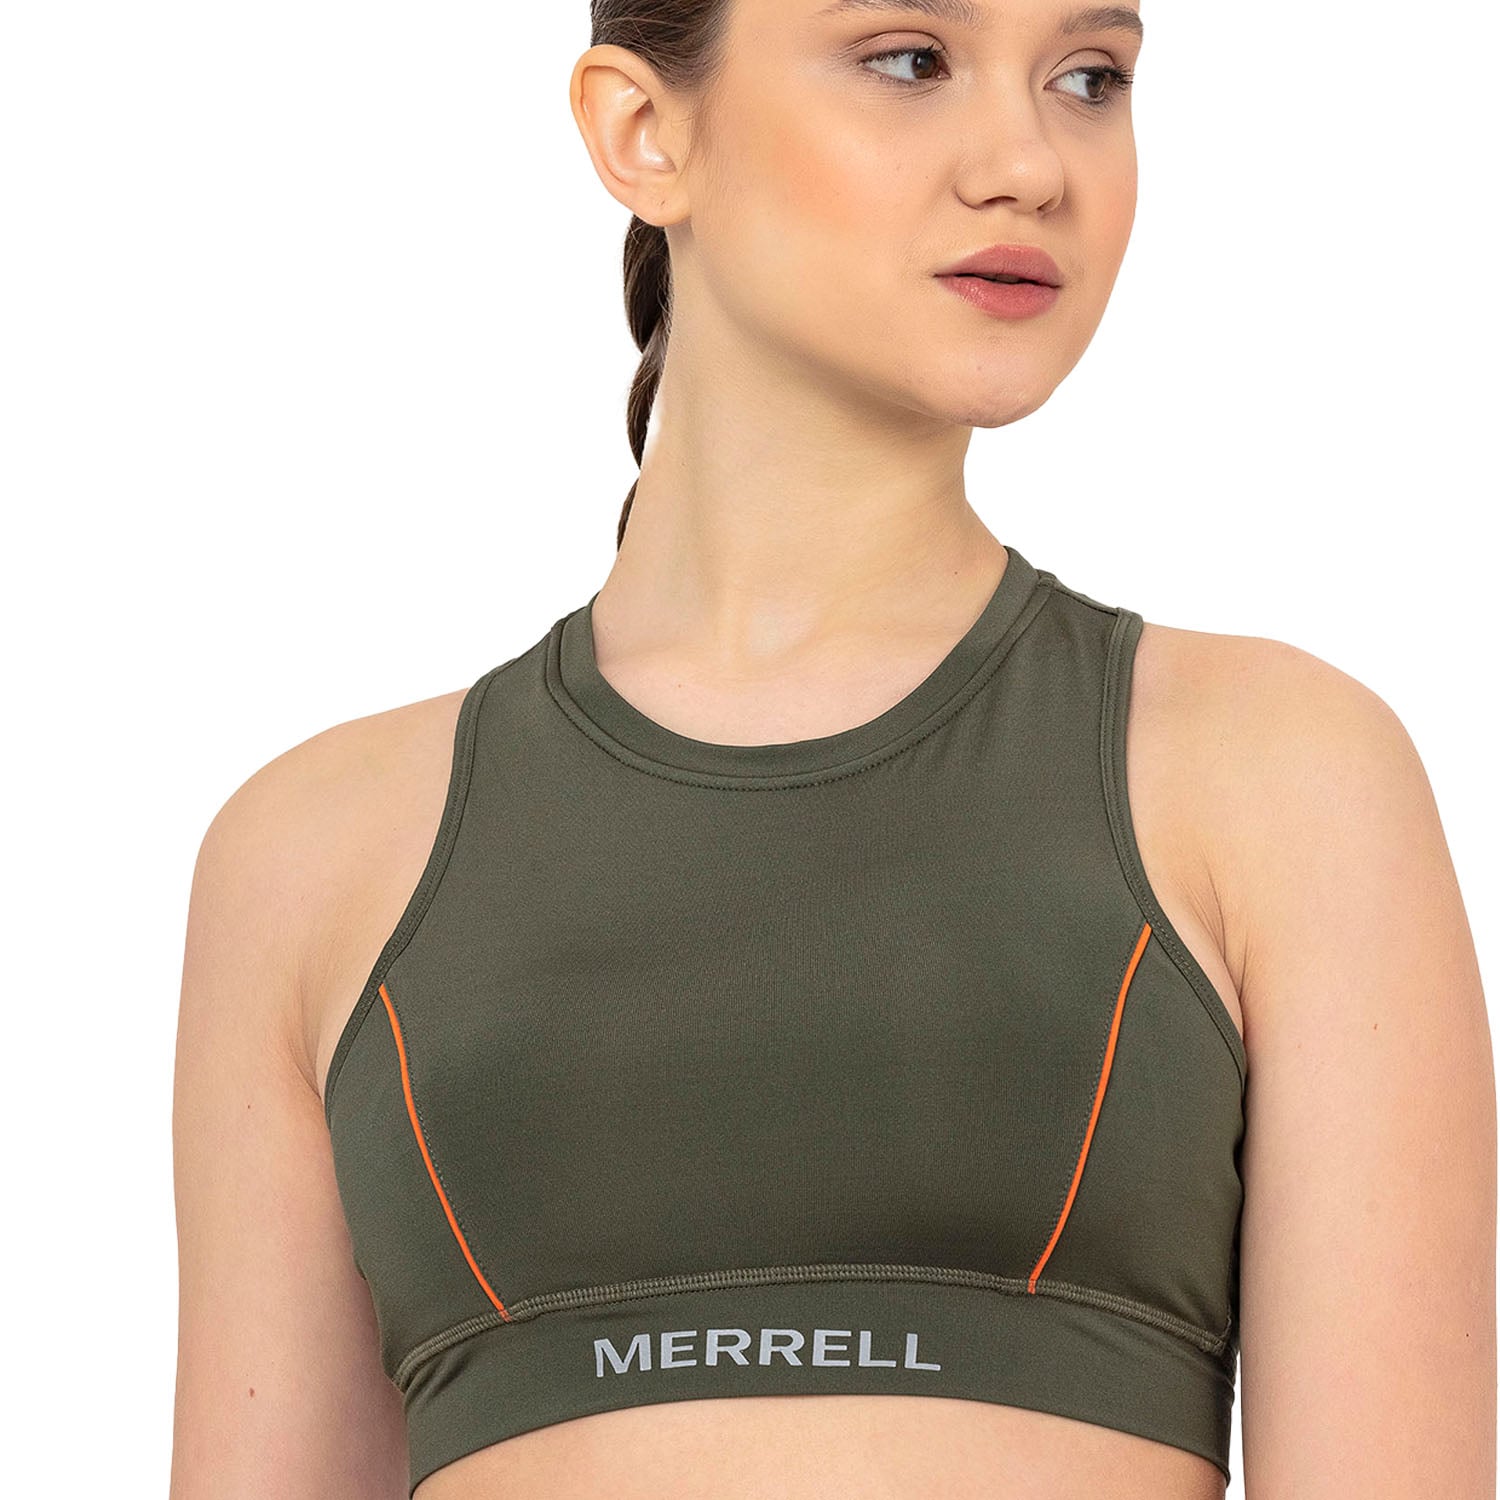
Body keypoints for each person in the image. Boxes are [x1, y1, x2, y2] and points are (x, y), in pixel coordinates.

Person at [168, 1, 1496, 1496]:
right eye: (911, 60)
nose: (1030, 164)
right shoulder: (316, 857)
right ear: (642, 130)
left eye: (1089, 78)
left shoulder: (1281, 781)